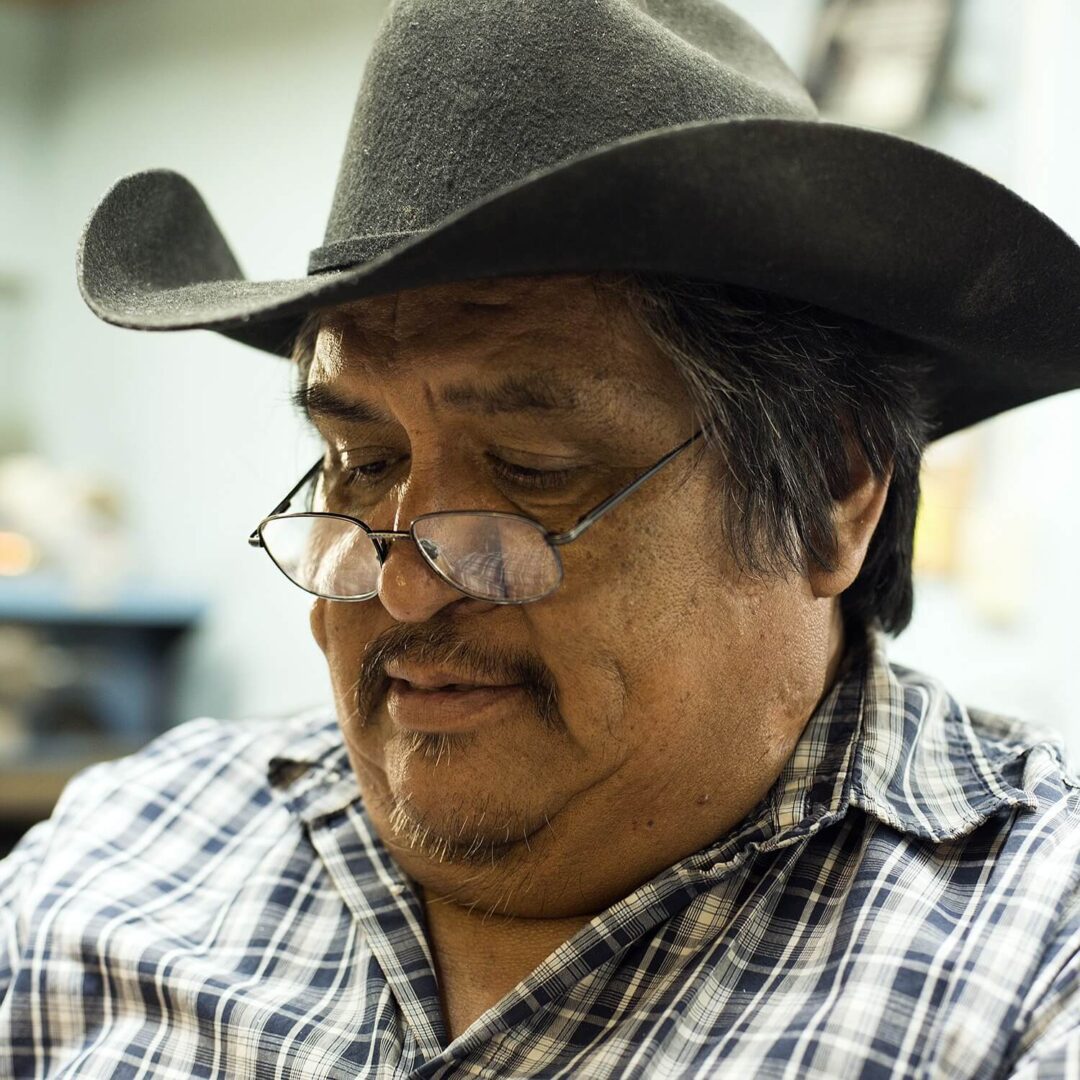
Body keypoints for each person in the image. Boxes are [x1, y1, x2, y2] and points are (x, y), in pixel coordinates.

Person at [4, 1, 1080, 1076]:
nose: (409, 590)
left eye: (533, 473)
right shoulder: (119, 859)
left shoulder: (1034, 950)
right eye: (363, 465)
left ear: (837, 493)